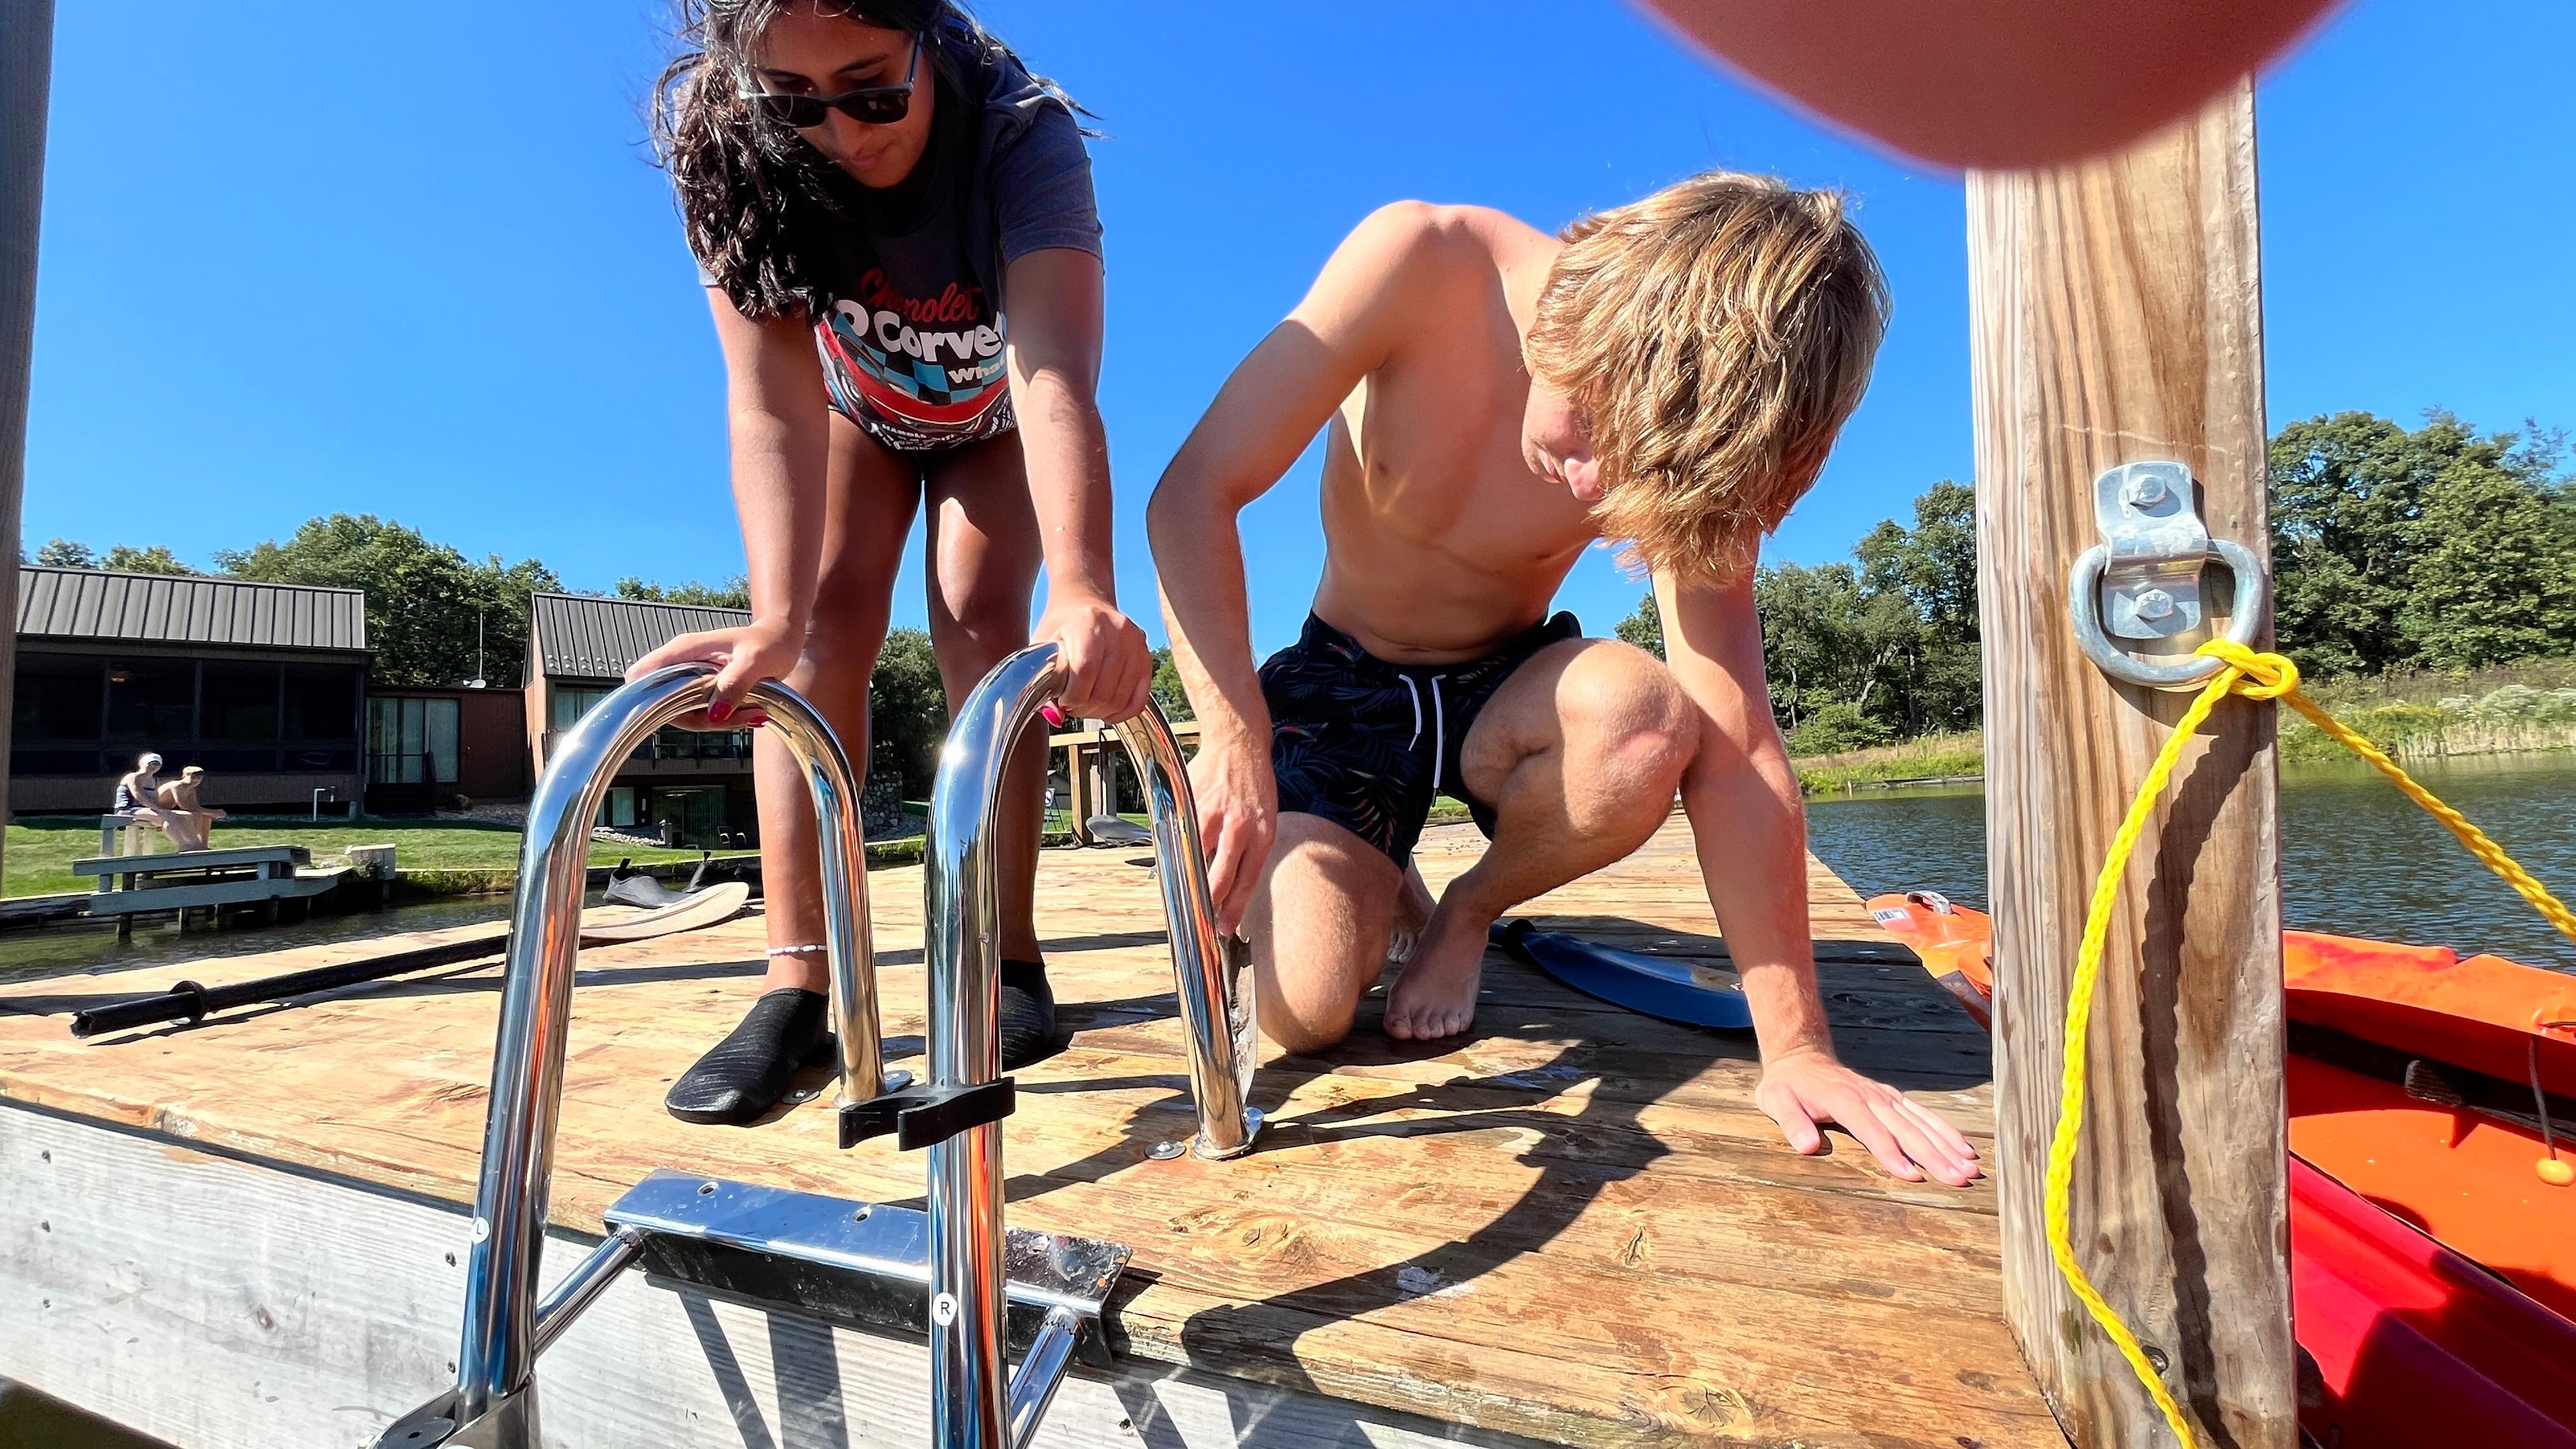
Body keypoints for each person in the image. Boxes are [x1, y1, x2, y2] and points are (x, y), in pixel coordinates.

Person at [1149, 174, 1981, 1186]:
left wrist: (1799, 1050)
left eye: (1635, 475)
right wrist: (1234, 743)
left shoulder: (1678, 445)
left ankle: (1460, 910)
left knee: (1645, 718)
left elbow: (1740, 740)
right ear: (1583, 293)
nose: (1592, 489)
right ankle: (1376, 861)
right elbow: (1195, 492)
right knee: (1307, 1010)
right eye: (1592, 426)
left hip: (1506, 686)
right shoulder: (1423, 259)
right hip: (1343, 680)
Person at [634, 0, 1153, 1125]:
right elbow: (766, 401)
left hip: (996, 417)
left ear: (926, 37)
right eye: (796, 104)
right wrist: (767, 615)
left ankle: (1007, 958)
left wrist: (1084, 584)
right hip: (851, 414)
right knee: (815, 633)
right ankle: (795, 987)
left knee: (981, 623)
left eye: (873, 90)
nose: (846, 134)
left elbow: (1053, 372)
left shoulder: (1019, 132)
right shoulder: (727, 142)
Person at [153, 766, 227, 852]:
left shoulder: (191, 789)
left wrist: (211, 813)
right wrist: (213, 812)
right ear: (183, 776)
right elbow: (184, 806)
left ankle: (203, 845)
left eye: (199, 778)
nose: (195, 780)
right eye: (193, 777)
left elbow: (195, 806)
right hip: (158, 811)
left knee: (205, 817)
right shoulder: (177, 786)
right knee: (193, 815)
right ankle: (192, 844)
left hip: (169, 811)